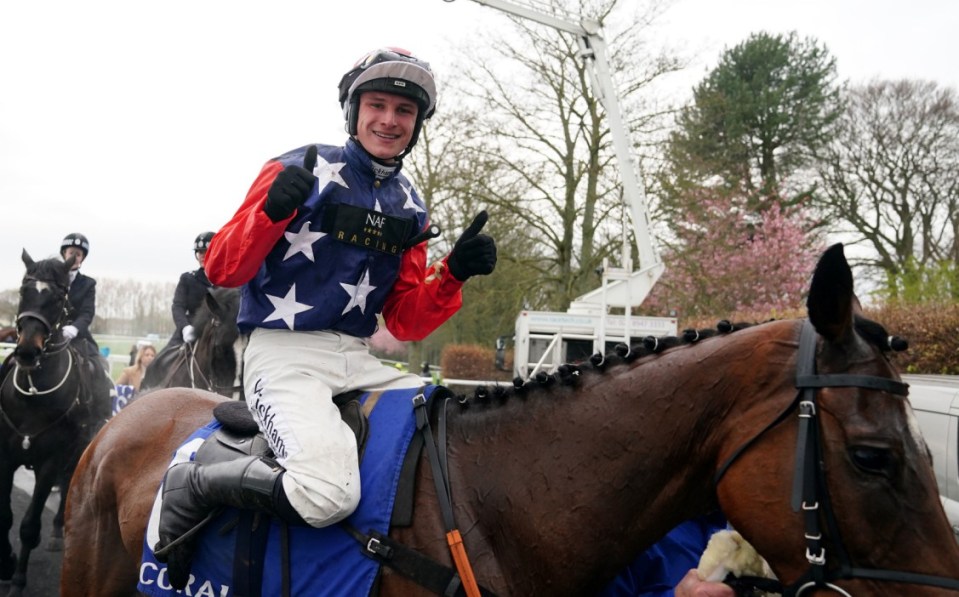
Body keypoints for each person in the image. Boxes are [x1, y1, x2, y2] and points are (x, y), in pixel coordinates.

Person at [153, 47, 497, 588]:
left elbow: (403, 321)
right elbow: (222, 268)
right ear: (353, 111)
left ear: (416, 125)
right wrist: (271, 212)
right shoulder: (297, 166)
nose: (389, 120)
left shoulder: (410, 204)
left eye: (403, 112)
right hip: (283, 354)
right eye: (377, 105)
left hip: (356, 359)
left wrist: (452, 273)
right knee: (328, 492)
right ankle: (193, 485)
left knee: (449, 421)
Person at [165, 231, 216, 350]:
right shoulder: (188, 279)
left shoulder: (229, 280)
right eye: (199, 252)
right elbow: (178, 306)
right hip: (192, 329)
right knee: (161, 361)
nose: (202, 256)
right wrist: (185, 327)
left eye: (206, 251)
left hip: (219, 332)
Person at [59, 233, 101, 361]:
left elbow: (87, 312)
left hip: (76, 337)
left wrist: (75, 328)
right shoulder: (51, 279)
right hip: (50, 334)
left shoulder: (88, 284)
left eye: (78, 254)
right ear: (65, 253)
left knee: (99, 365)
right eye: (71, 253)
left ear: (82, 258)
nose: (74, 257)